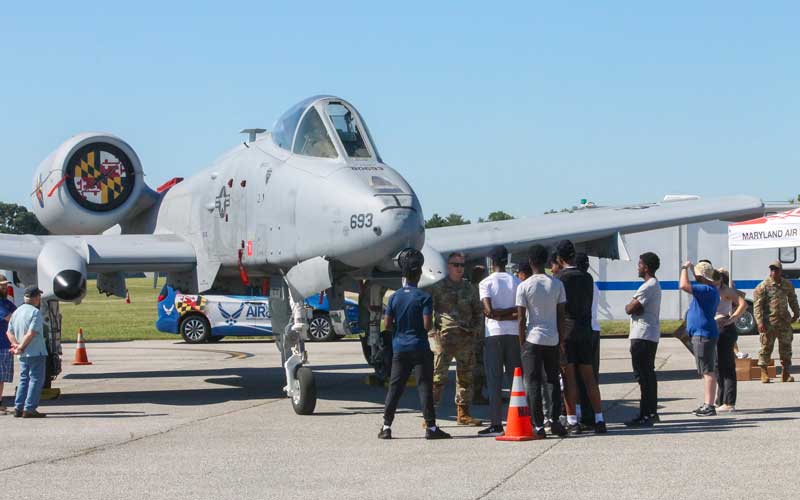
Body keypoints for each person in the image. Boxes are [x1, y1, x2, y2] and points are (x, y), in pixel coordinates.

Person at [380, 250, 450, 440]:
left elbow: (387, 324)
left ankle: (386, 426)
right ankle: (431, 428)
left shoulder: (394, 297)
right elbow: (427, 325)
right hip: (419, 346)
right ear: (419, 275)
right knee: (424, 387)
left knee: (395, 388)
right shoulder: (424, 297)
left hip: (400, 348)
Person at [516, 244, 568, 438]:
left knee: (533, 382)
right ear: (546, 261)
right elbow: (561, 315)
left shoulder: (524, 286)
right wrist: (561, 340)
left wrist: (521, 342)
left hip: (532, 338)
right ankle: (554, 419)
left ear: (530, 262)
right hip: (552, 337)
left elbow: (521, 318)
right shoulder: (556, 284)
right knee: (553, 380)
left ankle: (537, 424)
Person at [554, 240, 606, 434]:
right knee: (589, 376)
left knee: (569, 378)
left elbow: (559, 307)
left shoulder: (560, 278)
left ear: (559, 259)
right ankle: (599, 419)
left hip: (567, 330)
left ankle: (572, 419)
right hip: (585, 329)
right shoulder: (587, 278)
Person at [426, 252, 483, 426]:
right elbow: (427, 313)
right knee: (437, 378)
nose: (459, 268)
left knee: (465, 377)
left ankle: (463, 414)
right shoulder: (437, 288)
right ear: (448, 266)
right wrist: (433, 336)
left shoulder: (469, 289)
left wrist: (474, 331)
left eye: (461, 265)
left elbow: (478, 312)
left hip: (465, 339)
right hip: (444, 340)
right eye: (455, 264)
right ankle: (431, 417)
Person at [478, 245, 521, 436]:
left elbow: (488, 311)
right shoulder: (517, 282)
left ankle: (496, 423)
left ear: (492, 262)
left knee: (494, 380)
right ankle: (518, 417)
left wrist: (498, 315)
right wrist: (509, 313)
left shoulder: (485, 283)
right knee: (515, 380)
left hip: (493, 334)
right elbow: (519, 311)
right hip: (514, 334)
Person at [624, 252, 662, 427]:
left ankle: (646, 414)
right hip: (649, 334)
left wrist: (632, 305)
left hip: (642, 335)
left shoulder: (648, 286)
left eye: (639, 264)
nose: (637, 267)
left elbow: (630, 308)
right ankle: (650, 412)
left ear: (646, 267)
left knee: (643, 376)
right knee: (648, 374)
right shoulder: (653, 285)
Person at [679, 261, 720, 417]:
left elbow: (684, 285)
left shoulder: (705, 289)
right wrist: (691, 269)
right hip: (703, 333)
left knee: (708, 370)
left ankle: (709, 405)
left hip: (703, 334)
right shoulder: (708, 289)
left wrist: (684, 268)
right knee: (706, 369)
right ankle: (707, 403)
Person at [753, 261, 799, 383]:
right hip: (769, 323)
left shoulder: (787, 284)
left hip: (784, 322)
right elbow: (757, 306)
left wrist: (796, 312)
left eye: (776, 269)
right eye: (772, 269)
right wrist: (759, 322)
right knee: (766, 348)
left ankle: (785, 373)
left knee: (786, 348)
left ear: (780, 271)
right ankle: (764, 373)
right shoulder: (763, 286)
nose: (773, 271)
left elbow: (793, 299)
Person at [7, 286, 47, 418]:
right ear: (35, 298)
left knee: (24, 379)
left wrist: (16, 345)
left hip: (22, 354)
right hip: (35, 351)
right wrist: (22, 347)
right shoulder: (35, 313)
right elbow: (31, 333)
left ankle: (18, 407)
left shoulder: (17, 311)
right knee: (36, 379)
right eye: (39, 296)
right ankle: (29, 408)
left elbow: (9, 332)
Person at [714, 268, 747, 411]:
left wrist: (732, 319)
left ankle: (729, 402)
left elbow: (743, 304)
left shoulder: (726, 290)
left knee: (727, 366)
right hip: (714, 327)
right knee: (717, 366)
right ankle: (720, 400)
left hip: (725, 327)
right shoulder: (711, 290)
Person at [575, 252, 601, 429]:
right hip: (593, 330)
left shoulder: (578, 284)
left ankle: (584, 414)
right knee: (591, 376)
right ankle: (592, 413)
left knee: (579, 377)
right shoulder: (592, 283)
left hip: (583, 331)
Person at [469, 265, 489, 405]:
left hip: (471, 333)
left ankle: (475, 393)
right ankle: (477, 394)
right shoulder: (480, 290)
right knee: (479, 364)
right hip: (479, 334)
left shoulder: (467, 290)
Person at [0, 278, 17, 414]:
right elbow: (10, 318)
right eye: (2, 286)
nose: (5, 288)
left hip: (5, 344)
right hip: (1, 345)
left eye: (6, 285)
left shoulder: (6, 303)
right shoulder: (2, 305)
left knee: (2, 377)